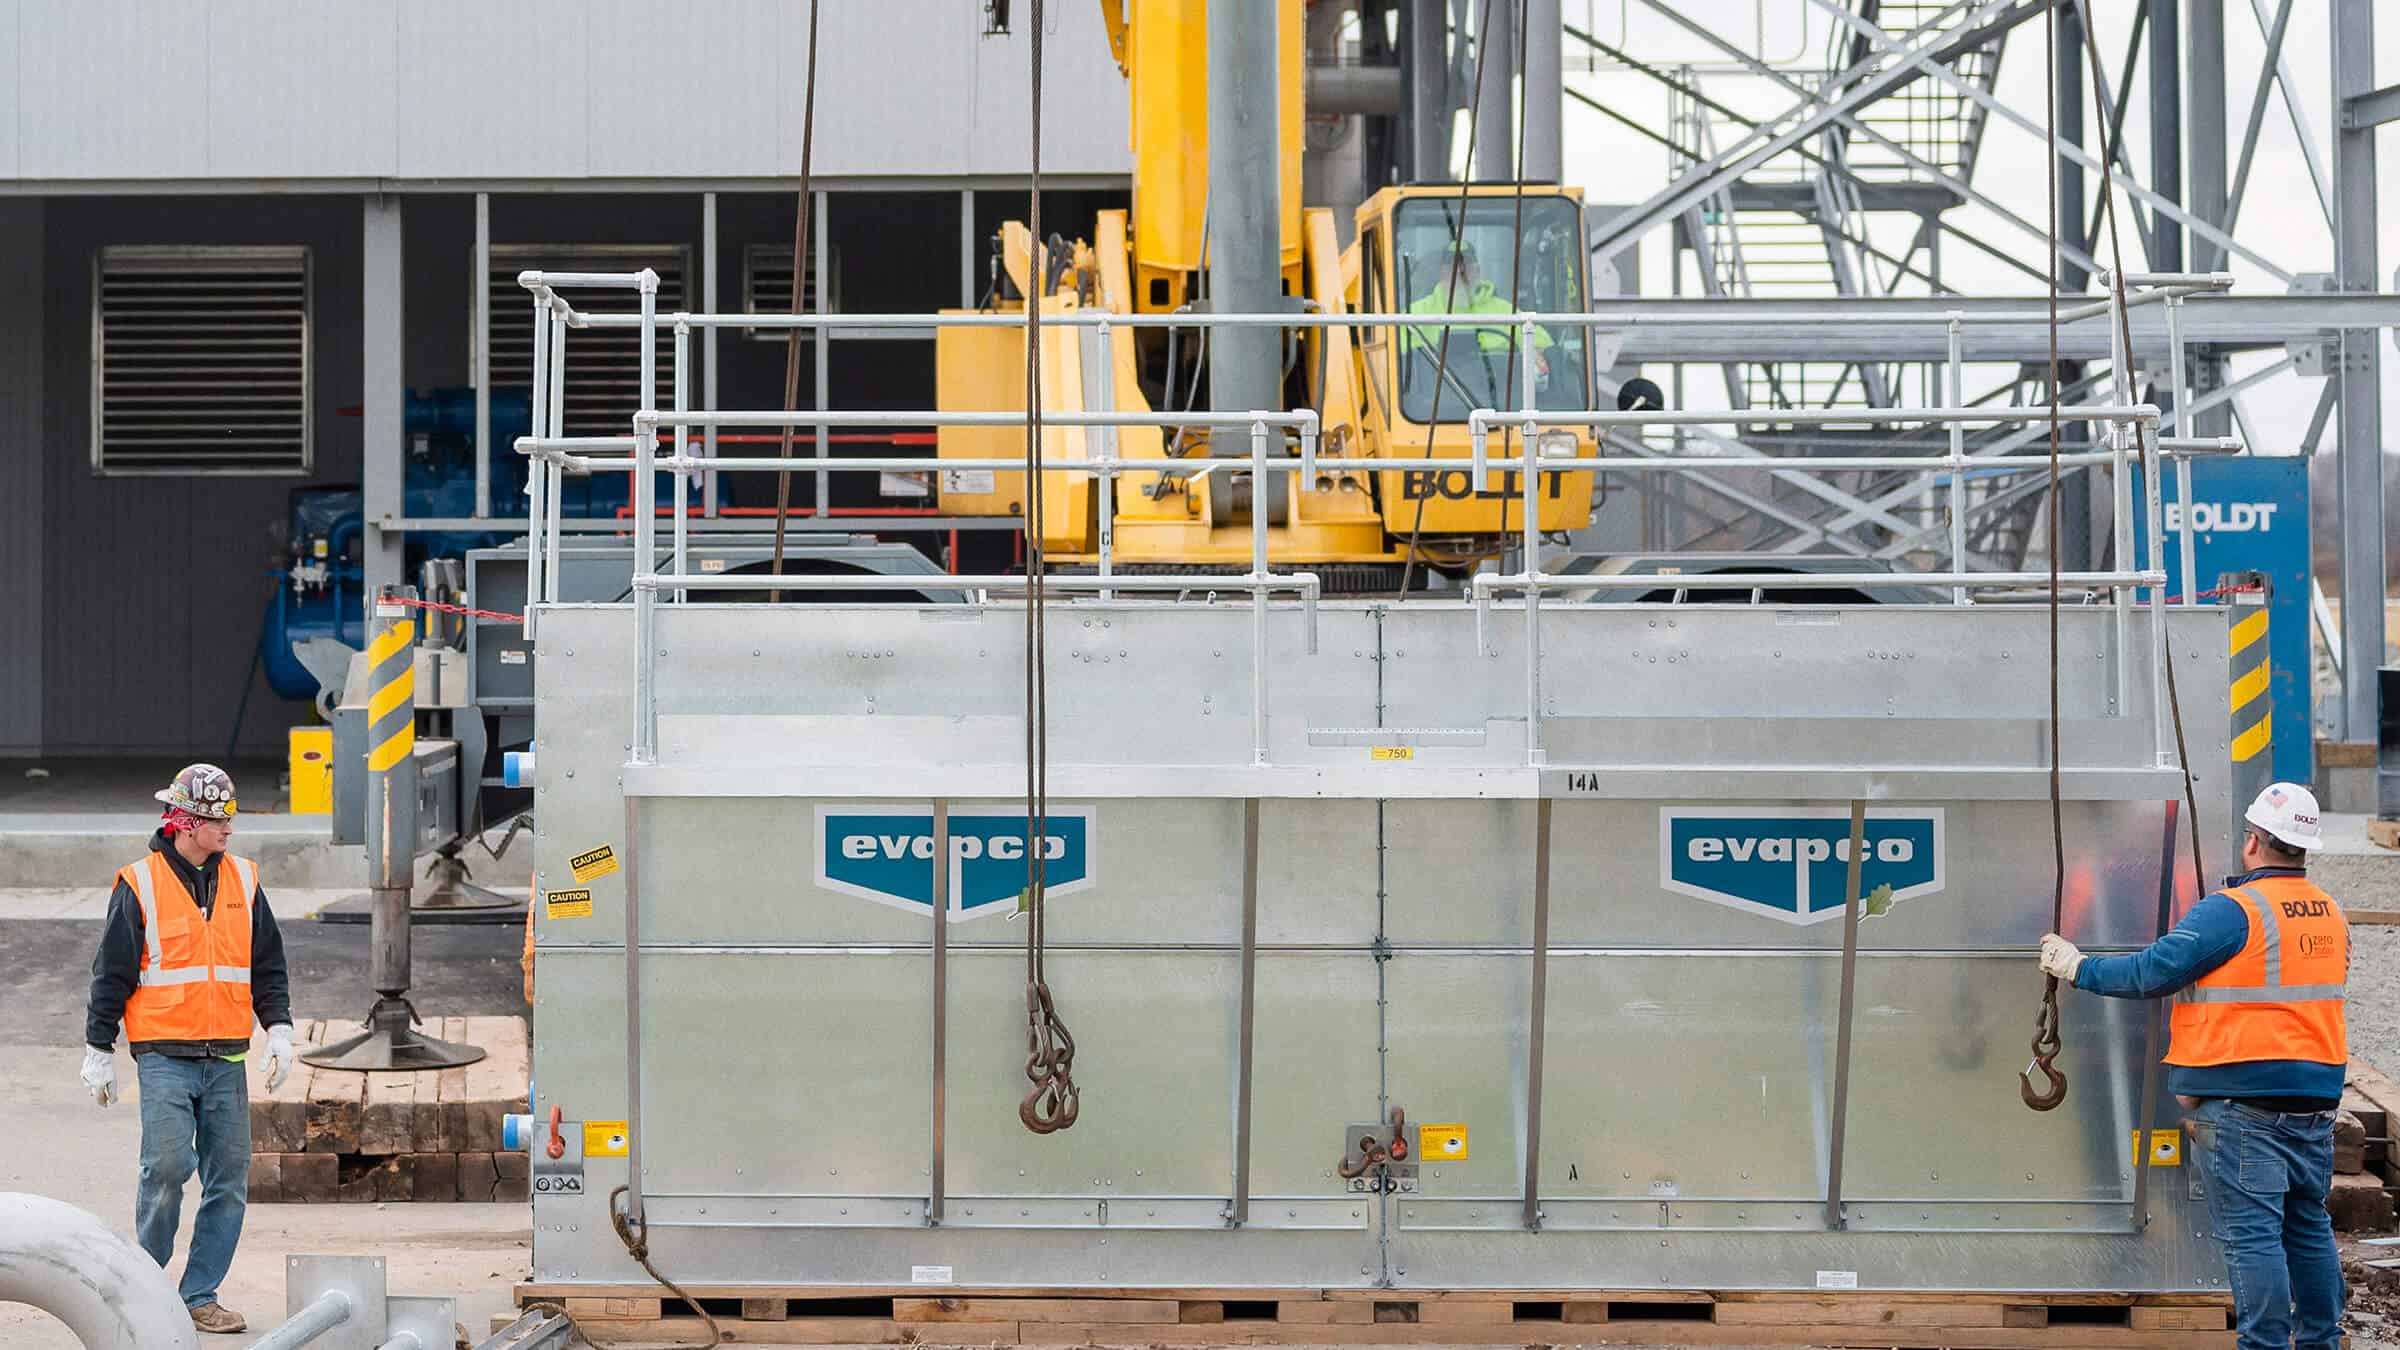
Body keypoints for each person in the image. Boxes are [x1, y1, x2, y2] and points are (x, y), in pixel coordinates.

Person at [2040, 782, 2348, 1350]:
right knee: (2308, 1228)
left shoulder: (2234, 912)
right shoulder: (2328, 912)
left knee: (2251, 1237)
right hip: (2315, 1102)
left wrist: (2078, 967)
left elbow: (2154, 972)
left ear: (2253, 842)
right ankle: (2322, 1341)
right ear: (2304, 847)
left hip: (2244, 1106)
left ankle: (2265, 1345)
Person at [82, 764, 296, 1336]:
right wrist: (98, 1047)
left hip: (225, 1057)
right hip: (164, 1057)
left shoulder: (245, 881)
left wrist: (279, 1027)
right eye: (217, 818)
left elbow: (267, 964)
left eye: (229, 817)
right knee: (168, 1168)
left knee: (228, 1178)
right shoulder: (140, 883)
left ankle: (199, 1293)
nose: (228, 828)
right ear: (185, 821)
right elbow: (112, 973)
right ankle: (144, 1285)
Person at [1400, 239, 1551, 393]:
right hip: (1429, 409)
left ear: (1478, 271)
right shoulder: (1414, 315)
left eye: (1466, 265)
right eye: (1452, 266)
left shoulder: (1507, 312)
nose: (1459, 272)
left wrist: (1537, 352)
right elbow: (1398, 357)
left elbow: (1540, 342)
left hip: (1498, 404)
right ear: (1441, 272)